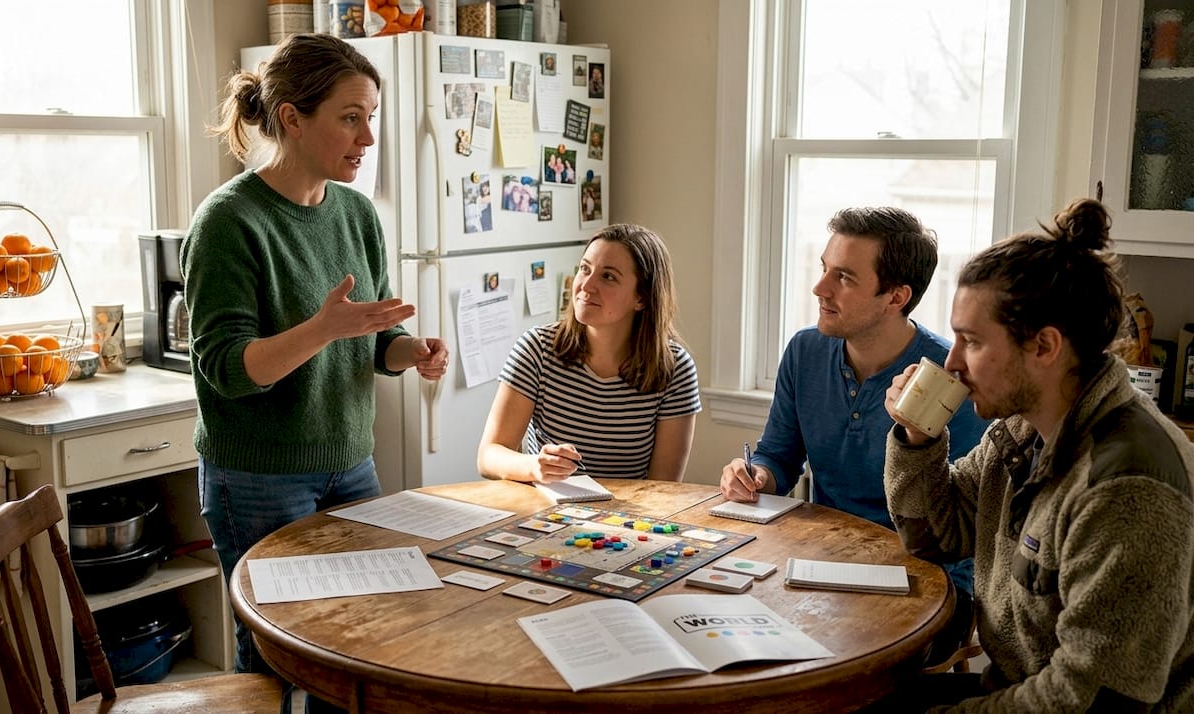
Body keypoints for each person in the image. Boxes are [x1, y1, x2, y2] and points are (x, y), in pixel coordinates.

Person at [183, 33, 449, 703]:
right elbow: (228, 370)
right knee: (275, 664)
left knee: (362, 639)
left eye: (372, 118)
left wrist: (409, 352)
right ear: (292, 118)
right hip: (258, 479)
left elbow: (372, 340)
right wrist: (322, 328)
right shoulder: (228, 223)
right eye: (350, 117)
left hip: (351, 462)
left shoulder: (357, 214)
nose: (367, 137)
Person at [881, 198, 1194, 711]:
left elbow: (1093, 700)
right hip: (1011, 689)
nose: (952, 362)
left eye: (971, 342)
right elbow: (935, 535)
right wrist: (919, 438)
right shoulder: (1020, 429)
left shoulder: (1129, 488)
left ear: (1044, 347)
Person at [719, 206, 989, 663]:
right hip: (819, 565)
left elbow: (955, 527)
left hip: (928, 582)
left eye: (843, 277)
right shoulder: (804, 351)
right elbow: (778, 457)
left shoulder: (949, 379)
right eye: (825, 269)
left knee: (828, 666)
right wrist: (756, 475)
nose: (819, 287)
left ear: (896, 296)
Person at [477, 224, 701, 482]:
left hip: (629, 518)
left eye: (608, 276)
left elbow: (663, 486)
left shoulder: (674, 368)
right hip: (545, 514)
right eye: (585, 269)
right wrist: (534, 466)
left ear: (642, 298)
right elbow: (488, 456)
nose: (585, 285)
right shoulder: (537, 349)